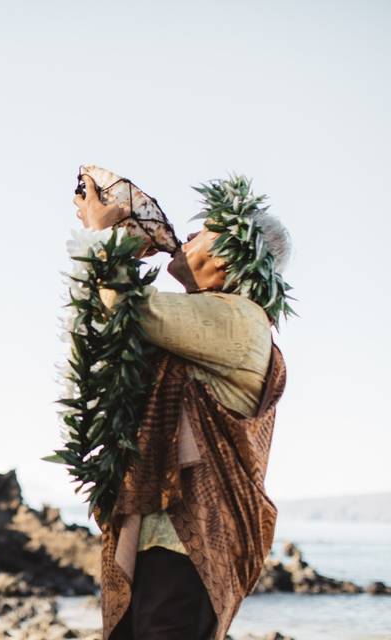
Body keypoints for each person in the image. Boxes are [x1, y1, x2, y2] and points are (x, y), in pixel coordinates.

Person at [74, 174, 292, 640]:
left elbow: (135, 310)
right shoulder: (209, 322)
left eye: (203, 232)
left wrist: (105, 234)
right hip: (166, 536)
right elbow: (114, 323)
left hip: (189, 541)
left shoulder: (240, 319)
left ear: (234, 258)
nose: (188, 237)